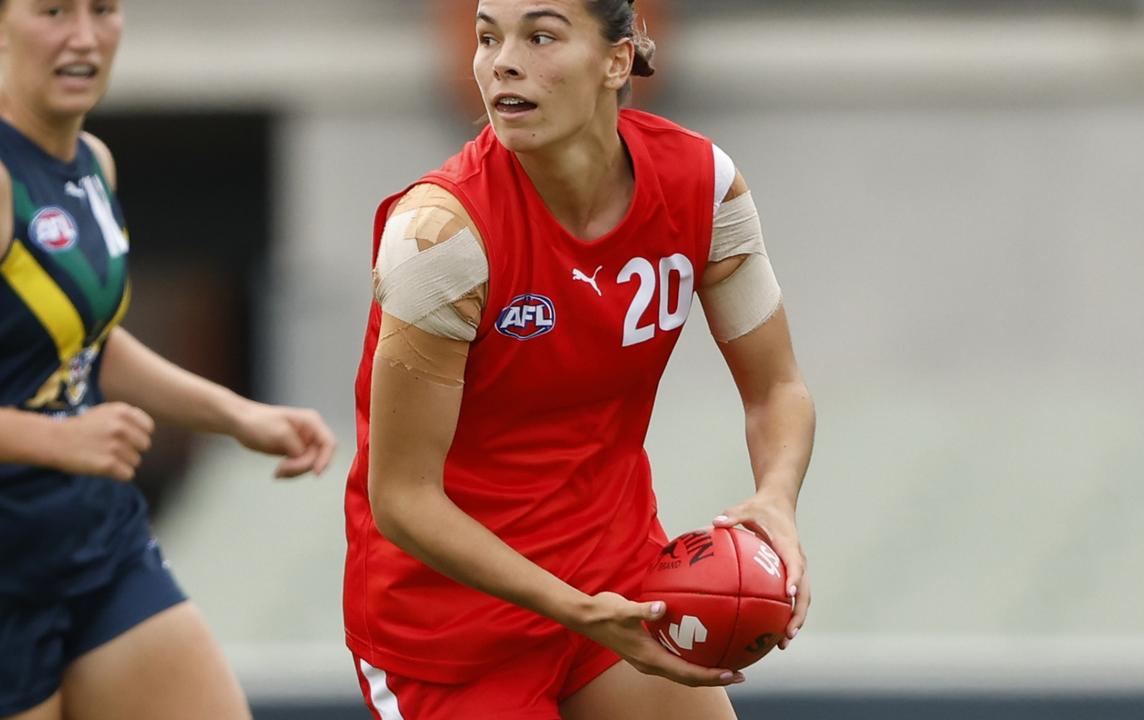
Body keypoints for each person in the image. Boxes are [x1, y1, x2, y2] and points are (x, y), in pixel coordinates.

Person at [344, 0, 815, 717]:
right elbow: (404, 498)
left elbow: (777, 387)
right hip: (452, 635)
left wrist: (775, 500)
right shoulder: (438, 236)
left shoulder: (703, 187)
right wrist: (575, 607)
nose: (502, 60)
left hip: (616, 589)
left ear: (617, 60)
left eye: (539, 36)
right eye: (487, 36)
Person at [0, 1, 338, 718]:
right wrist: (58, 438)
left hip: (95, 545)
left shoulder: (93, 162)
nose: (85, 36)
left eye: (103, 9)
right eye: (53, 11)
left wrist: (238, 416)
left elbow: (86, 343)